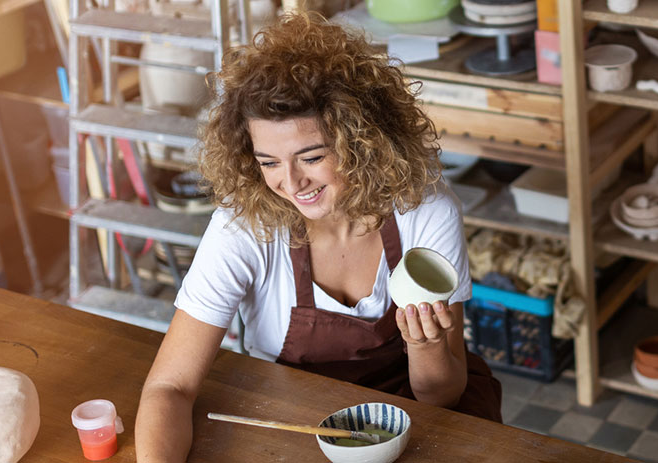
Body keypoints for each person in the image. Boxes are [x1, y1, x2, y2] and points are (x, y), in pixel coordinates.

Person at [134, 13, 501, 461]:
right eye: (268, 162)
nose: (291, 183)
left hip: (413, 418)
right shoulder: (245, 224)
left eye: (310, 156)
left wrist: (424, 347)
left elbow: (442, 396)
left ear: (362, 142)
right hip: (290, 418)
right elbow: (170, 386)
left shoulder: (423, 210)